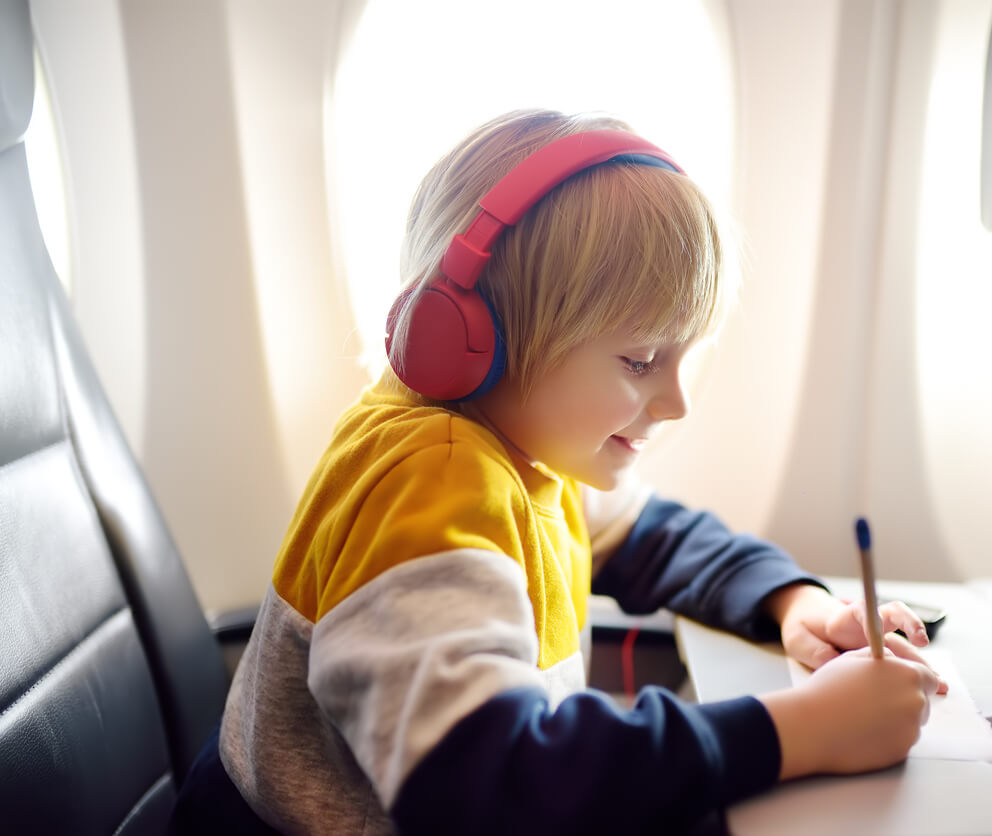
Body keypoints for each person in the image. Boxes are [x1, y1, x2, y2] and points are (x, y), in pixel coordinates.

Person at [171, 108, 943, 835]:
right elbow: (486, 781)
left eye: (683, 357)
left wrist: (792, 604)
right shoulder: (430, 484)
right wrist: (801, 731)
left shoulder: (519, 457)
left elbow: (656, 537)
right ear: (475, 337)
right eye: (641, 359)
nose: (674, 402)